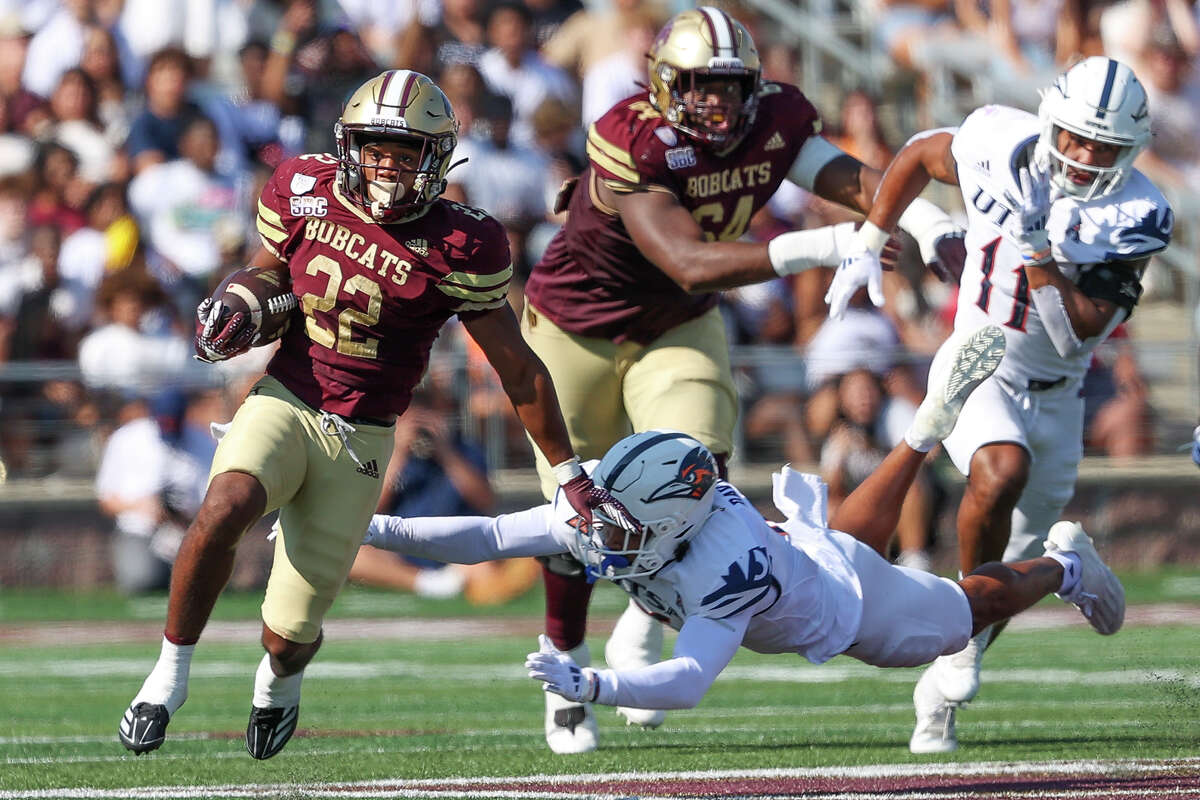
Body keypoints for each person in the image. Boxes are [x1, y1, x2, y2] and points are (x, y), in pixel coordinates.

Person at [117, 69, 614, 760]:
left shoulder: (461, 244)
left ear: (436, 158)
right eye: (377, 147)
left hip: (363, 439)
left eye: (407, 151)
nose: (389, 165)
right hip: (288, 397)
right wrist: (238, 301)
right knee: (226, 503)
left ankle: (278, 682)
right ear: (350, 145)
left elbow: (519, 367)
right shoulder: (303, 188)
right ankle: (167, 676)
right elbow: (266, 268)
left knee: (288, 636)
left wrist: (568, 470)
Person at [520, 5, 968, 755]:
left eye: (731, 87)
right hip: (576, 329)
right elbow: (688, 259)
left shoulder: (775, 119)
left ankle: (641, 624)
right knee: (578, 512)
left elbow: (845, 176)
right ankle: (565, 660)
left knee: (699, 478)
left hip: (676, 324)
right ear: (665, 85)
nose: (719, 104)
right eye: (699, 87)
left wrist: (924, 223)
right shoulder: (633, 135)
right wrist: (835, 242)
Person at [362, 325, 1125, 746]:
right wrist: (374, 525)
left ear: (668, 521)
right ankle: (921, 436)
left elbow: (690, 681)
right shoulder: (612, 503)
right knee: (845, 546)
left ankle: (1062, 565)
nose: (599, 530)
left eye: (622, 523)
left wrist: (595, 685)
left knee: (961, 616)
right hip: (807, 554)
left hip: (838, 607)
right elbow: (490, 535)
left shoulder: (728, 563)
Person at [822, 56, 1172, 753]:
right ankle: (960, 644)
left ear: (1128, 149)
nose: (1082, 156)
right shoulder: (998, 144)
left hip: (1060, 392)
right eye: (1072, 136)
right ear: (1050, 121)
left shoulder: (1136, 211)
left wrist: (1039, 247)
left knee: (1010, 564)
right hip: (978, 362)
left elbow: (1074, 335)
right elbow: (921, 153)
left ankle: (959, 659)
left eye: (1101, 146)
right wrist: (871, 235)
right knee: (999, 469)